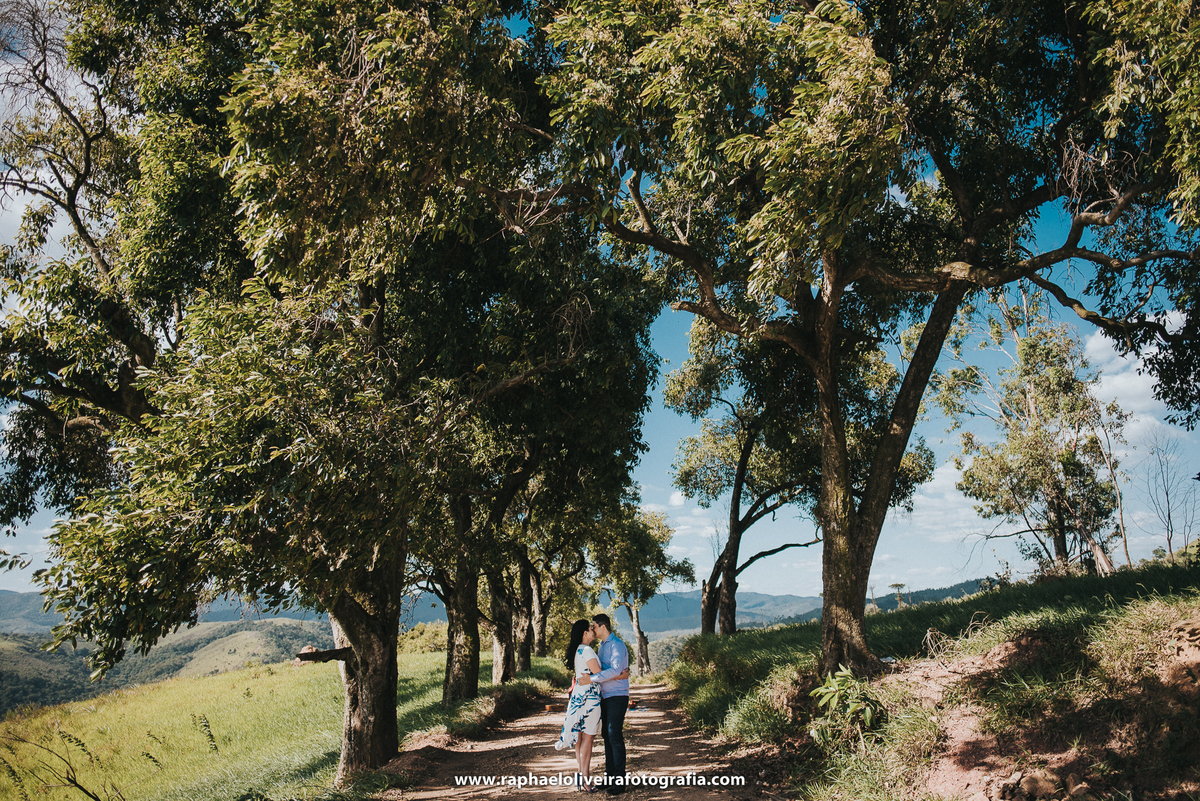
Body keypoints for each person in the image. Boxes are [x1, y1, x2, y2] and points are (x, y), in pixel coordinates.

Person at [555, 619, 603, 792]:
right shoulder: (587, 650)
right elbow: (600, 674)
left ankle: (582, 777)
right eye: (591, 629)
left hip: (579, 697)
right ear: (585, 633)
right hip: (589, 698)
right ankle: (586, 780)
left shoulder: (579, 650)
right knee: (588, 738)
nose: (593, 631)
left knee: (580, 738)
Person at [590, 613, 630, 795]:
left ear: (603, 626)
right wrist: (616, 674)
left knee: (614, 735)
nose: (593, 629)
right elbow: (612, 672)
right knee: (606, 735)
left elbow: (614, 669)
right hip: (604, 696)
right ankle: (609, 778)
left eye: (594, 626)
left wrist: (592, 678)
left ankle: (620, 782)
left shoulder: (617, 645)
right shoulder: (602, 647)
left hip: (617, 695)